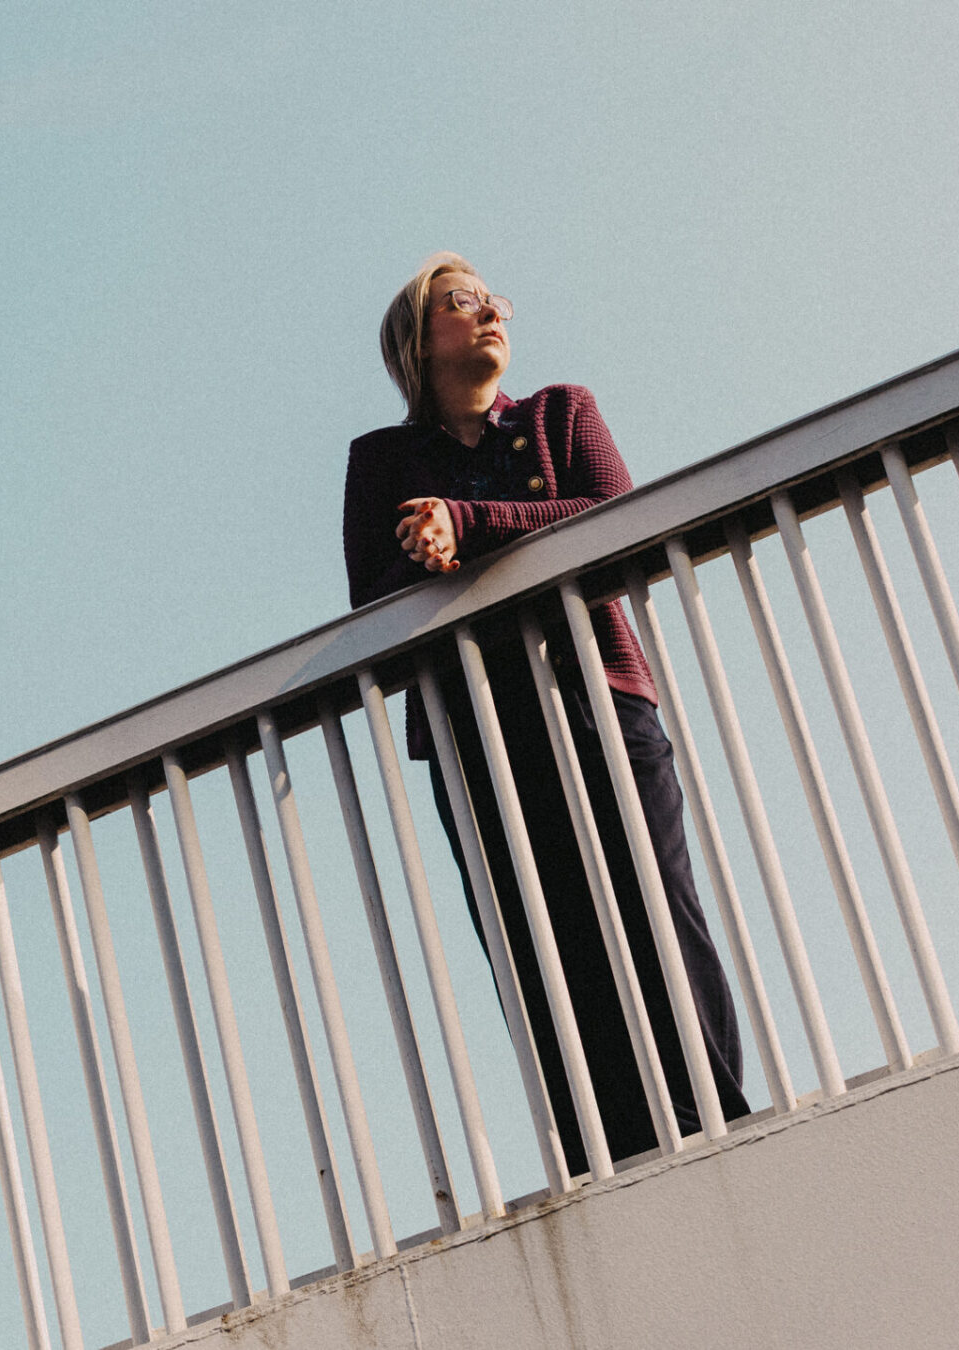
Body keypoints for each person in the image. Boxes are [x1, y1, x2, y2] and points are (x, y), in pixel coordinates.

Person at [341, 251, 750, 1170]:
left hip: (598, 697)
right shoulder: (381, 461)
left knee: (655, 905)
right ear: (417, 340)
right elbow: (371, 612)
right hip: (473, 730)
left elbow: (615, 520)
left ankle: (717, 1122)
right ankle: (607, 1153)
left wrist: (468, 524)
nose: (492, 310)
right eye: (463, 301)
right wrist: (423, 554)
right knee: (536, 936)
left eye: (494, 299)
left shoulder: (562, 412)